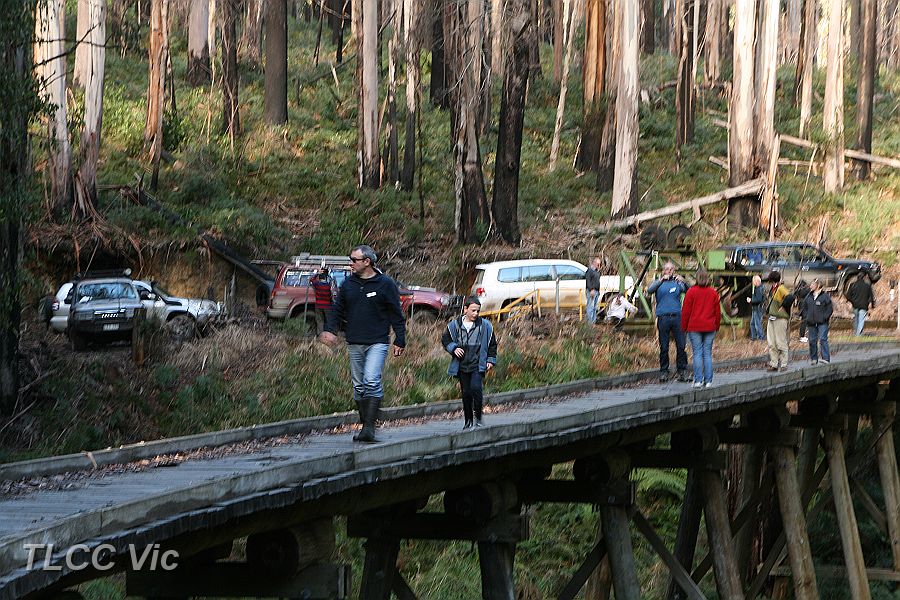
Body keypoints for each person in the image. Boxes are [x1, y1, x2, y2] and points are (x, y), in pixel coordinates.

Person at [320, 245, 406, 443]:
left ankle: (369, 429)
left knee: (371, 380)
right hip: (354, 341)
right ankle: (365, 425)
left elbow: (396, 314)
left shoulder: (385, 284)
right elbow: (337, 309)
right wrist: (329, 329)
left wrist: (400, 339)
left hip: (377, 341)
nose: (350, 263)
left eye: (353, 260)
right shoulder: (349, 284)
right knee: (359, 387)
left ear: (367, 262)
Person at [441, 297, 498, 429]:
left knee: (476, 389)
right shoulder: (454, 325)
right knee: (466, 393)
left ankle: (478, 418)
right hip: (461, 365)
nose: (476, 314)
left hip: (477, 364)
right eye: (473, 311)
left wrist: (490, 360)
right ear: (465, 309)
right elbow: (445, 340)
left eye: (478, 311)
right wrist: (454, 348)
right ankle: (468, 420)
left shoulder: (485, 326)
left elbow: (492, 344)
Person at [647, 262, 690, 382]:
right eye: (667, 269)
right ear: (663, 270)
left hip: (677, 317)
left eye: (671, 269)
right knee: (664, 347)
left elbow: (689, 291)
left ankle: (682, 371)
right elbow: (650, 290)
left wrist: (684, 280)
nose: (669, 271)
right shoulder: (659, 283)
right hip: (663, 317)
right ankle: (664, 371)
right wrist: (661, 279)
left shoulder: (677, 283)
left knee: (681, 346)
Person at [681, 270, 721, 388]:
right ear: (708, 278)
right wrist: (717, 325)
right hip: (710, 327)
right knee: (707, 353)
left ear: (697, 278)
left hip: (694, 327)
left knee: (697, 353)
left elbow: (686, 311)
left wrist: (684, 327)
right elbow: (717, 312)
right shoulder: (713, 293)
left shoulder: (691, 292)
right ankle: (708, 381)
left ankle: (698, 380)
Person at [802, 278, 833, 365]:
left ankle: (826, 358)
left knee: (823, 339)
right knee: (812, 341)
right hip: (811, 322)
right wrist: (806, 316)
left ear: (818, 285)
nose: (810, 286)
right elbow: (804, 307)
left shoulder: (825, 296)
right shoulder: (808, 296)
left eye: (812, 284)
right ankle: (814, 358)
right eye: (811, 284)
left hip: (822, 322)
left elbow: (829, 309)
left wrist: (824, 317)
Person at [765, 271, 791, 371]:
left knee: (781, 342)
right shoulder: (773, 289)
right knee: (772, 343)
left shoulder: (781, 288)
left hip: (780, 319)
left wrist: (783, 307)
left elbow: (790, 297)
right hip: (772, 318)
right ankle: (774, 363)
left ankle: (784, 364)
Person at [309, 267, 334, 334]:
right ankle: (328, 334)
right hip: (327, 306)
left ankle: (320, 335)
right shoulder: (328, 286)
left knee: (320, 321)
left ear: (319, 278)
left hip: (318, 305)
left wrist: (317, 274)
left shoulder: (317, 285)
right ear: (326, 278)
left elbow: (311, 279)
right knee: (328, 321)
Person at [585, 257, 602, 324]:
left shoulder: (597, 272)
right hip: (591, 291)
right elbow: (588, 281)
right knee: (590, 307)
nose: (599, 266)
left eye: (600, 264)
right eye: (598, 264)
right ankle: (590, 323)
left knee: (595, 308)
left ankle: (593, 321)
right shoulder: (589, 271)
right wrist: (591, 289)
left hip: (597, 291)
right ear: (594, 263)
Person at [748, 275, 765, 341]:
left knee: (757, 323)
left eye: (753, 281)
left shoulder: (759, 289)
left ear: (757, 281)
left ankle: (761, 337)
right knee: (752, 323)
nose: (753, 283)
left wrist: (751, 301)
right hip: (755, 308)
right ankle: (754, 337)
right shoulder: (758, 288)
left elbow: (759, 300)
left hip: (758, 308)